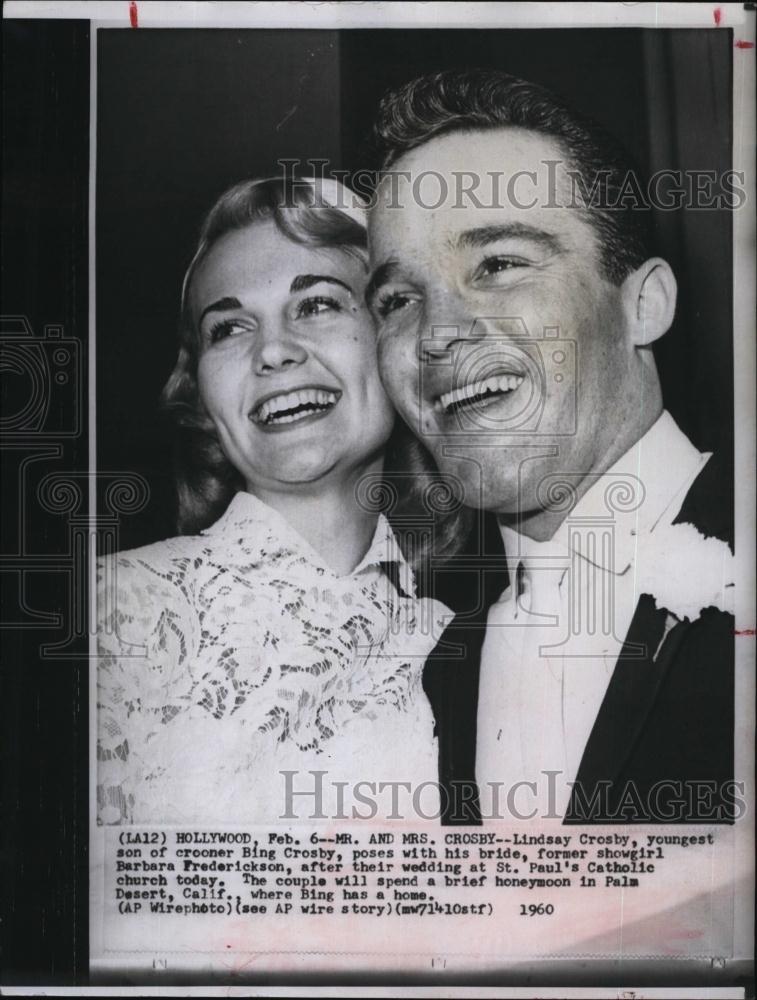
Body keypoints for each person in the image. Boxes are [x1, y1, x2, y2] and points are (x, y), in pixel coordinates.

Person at [366, 69, 735, 824]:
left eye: (497, 264)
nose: (433, 334)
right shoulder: (430, 675)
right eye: (397, 300)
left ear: (643, 305)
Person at [96, 176, 451, 825]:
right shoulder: (114, 614)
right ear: (201, 393)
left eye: (316, 304)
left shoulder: (468, 637)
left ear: (395, 341)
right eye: (228, 327)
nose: (273, 351)